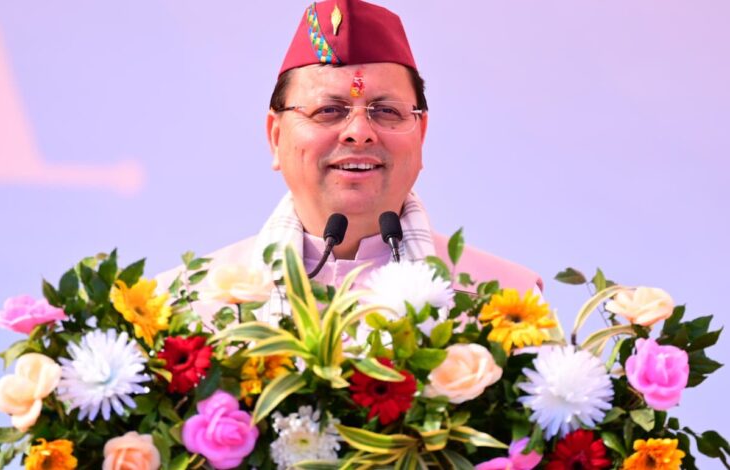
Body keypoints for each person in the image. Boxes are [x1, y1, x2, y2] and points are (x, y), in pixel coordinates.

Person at [159, 0, 542, 323]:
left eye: (386, 111)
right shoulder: (182, 306)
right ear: (276, 136)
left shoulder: (507, 304)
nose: (359, 132)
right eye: (328, 110)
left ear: (421, 134)